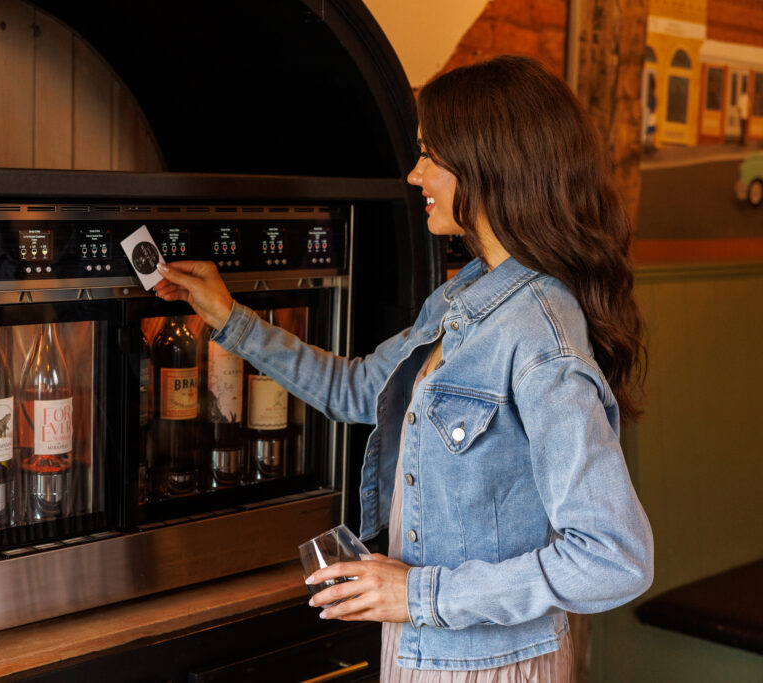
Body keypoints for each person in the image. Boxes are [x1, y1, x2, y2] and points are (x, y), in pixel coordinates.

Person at [154, 55, 653, 681]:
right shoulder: (460, 300)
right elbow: (357, 388)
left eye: (430, 155)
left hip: (488, 666)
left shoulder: (540, 338)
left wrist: (418, 595)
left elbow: (615, 557)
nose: (415, 173)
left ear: (489, 165)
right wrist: (229, 317)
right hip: (419, 645)